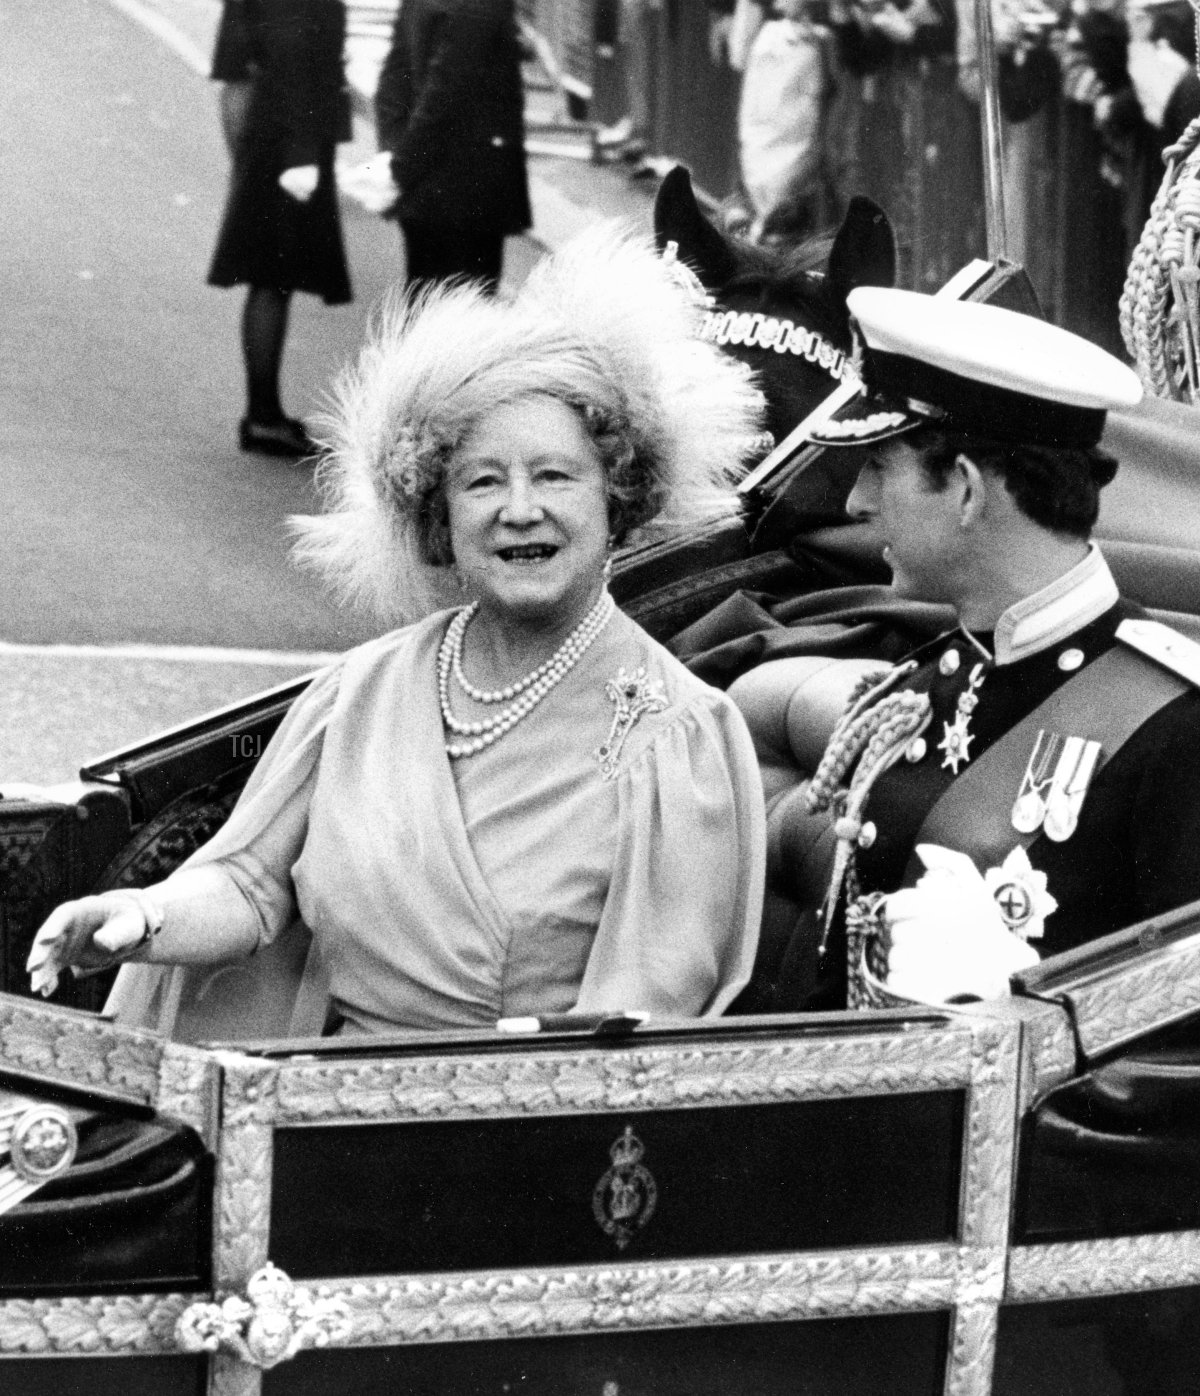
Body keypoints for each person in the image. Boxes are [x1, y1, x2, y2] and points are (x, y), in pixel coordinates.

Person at [27, 226, 766, 1039]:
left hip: (510, 1131)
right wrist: (140, 915)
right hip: (322, 1104)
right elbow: (249, 884)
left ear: (617, 497)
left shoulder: (677, 735)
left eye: (554, 475)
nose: (520, 509)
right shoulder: (366, 687)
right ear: (437, 518)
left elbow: (632, 1035)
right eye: (483, 481)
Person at [731, 286, 1200, 1008]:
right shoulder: (913, 696)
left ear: (969, 491)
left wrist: (1019, 1016)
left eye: (880, 467)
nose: (856, 501)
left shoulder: (1175, 725)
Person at [207, 0, 352, 458]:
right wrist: (302, 154)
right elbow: (298, 69)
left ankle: (265, 410)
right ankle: (262, 416)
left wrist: (243, 158)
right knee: (273, 277)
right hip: (293, 142)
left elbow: (232, 75)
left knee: (272, 274)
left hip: (265, 134)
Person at [375, 0, 531, 293]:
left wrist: (396, 154)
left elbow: (395, 75)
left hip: (426, 184)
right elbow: (447, 87)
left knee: (425, 301)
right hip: (469, 186)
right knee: (465, 311)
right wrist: (400, 164)